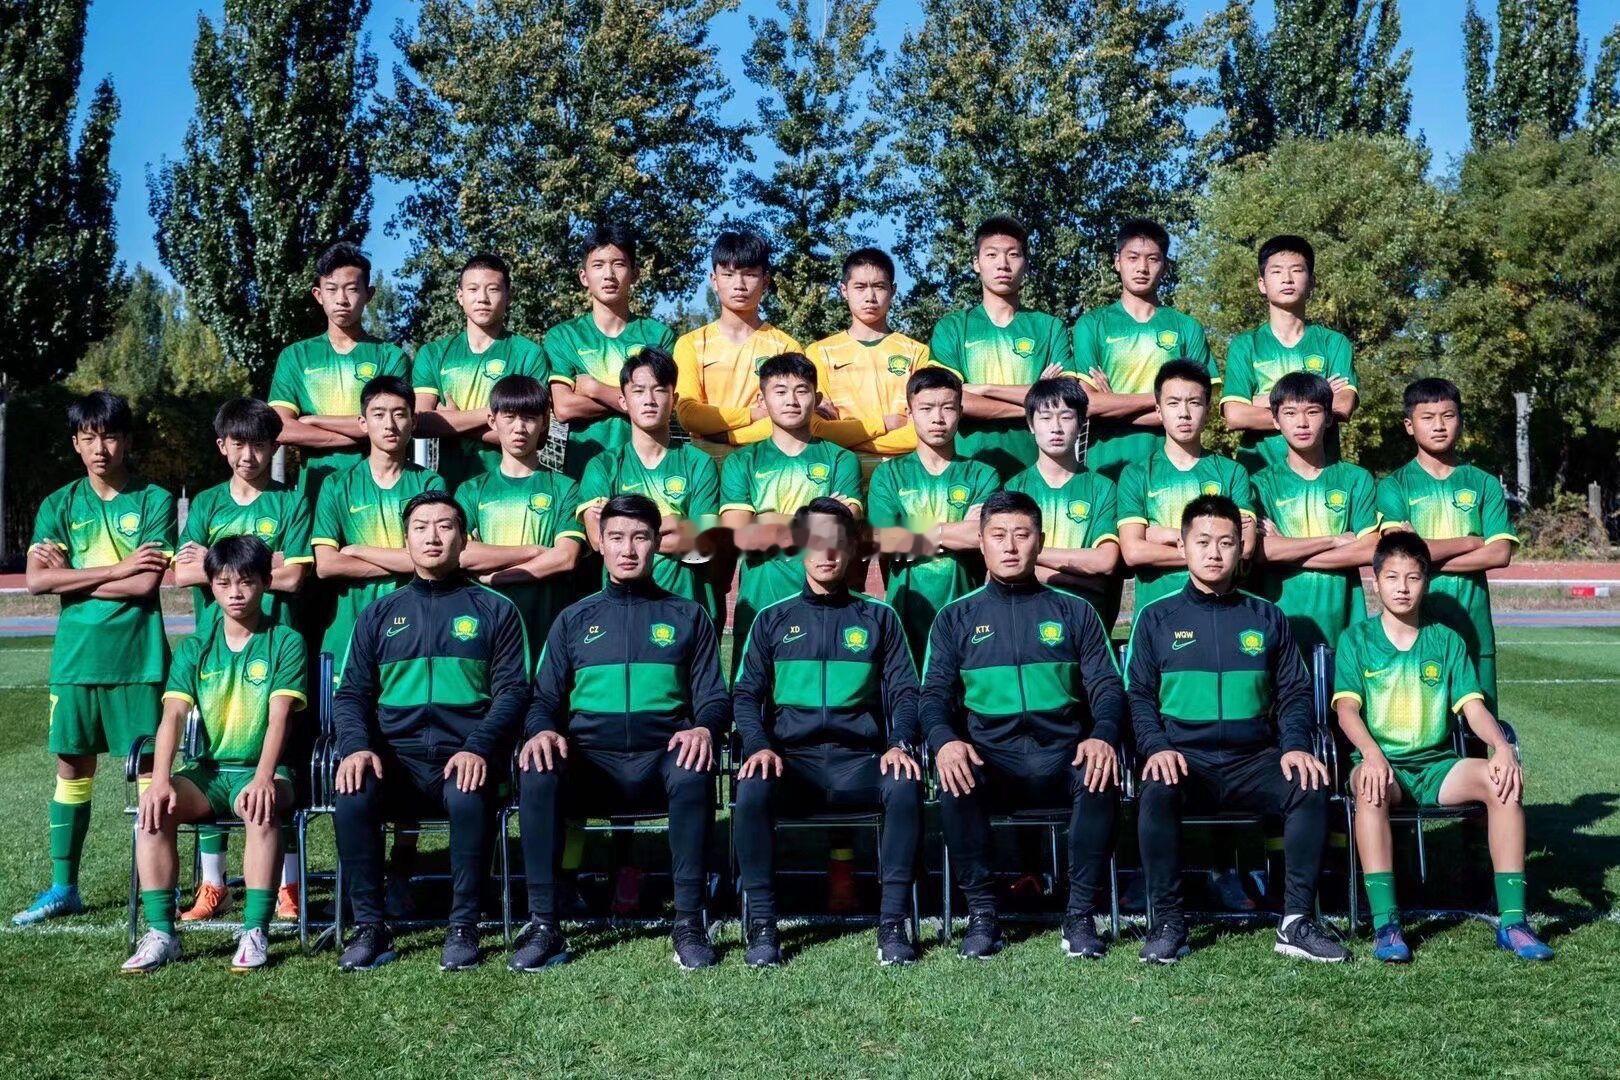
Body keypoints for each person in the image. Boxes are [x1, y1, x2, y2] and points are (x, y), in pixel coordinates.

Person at [511, 495, 730, 972]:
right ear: (601, 544)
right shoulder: (573, 619)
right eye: (616, 538)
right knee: (538, 771)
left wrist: (703, 728)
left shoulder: (688, 615)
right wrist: (542, 731)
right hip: (591, 761)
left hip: (661, 756)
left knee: (692, 769)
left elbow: (714, 697)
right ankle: (544, 924)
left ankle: (689, 922)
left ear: (656, 543)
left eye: (639, 537)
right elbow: (543, 700)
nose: (627, 549)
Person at [1127, 495, 1347, 964]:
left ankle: (1296, 922)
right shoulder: (1156, 618)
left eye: (1226, 542)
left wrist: (1294, 746)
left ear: (1240, 549)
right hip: (1184, 759)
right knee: (1156, 789)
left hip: (1254, 759)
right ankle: (1168, 922)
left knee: (1307, 783)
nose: (1214, 553)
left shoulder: (1266, 616)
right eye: (1203, 542)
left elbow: (1294, 693)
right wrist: (1156, 747)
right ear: (1183, 547)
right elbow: (1139, 697)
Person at [920, 490, 1126, 960]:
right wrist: (946, 741)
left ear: (1041, 541)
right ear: (981, 543)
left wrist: (1102, 736)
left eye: (1021, 535)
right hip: (990, 756)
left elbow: (1108, 688)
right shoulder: (955, 618)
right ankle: (983, 915)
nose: (1010, 546)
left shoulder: (1076, 611)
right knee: (955, 777)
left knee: (1098, 774)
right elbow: (931, 698)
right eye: (998, 535)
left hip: (1063, 752)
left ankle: (1080, 915)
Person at [331, 492, 531, 972]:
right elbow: (351, 694)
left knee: (468, 793)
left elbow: (513, 693)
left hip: (464, 756)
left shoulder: (496, 609)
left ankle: (463, 926)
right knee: (353, 794)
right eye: (420, 527)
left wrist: (478, 747)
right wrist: (356, 747)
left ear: (464, 539)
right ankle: (370, 927)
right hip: (394, 759)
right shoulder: (378, 613)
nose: (433, 537)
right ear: (406, 541)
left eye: (445, 526)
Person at [1333, 532, 1553, 962]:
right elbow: (1346, 711)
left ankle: (1513, 922)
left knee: (1502, 783)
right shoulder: (1355, 639)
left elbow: (1474, 708)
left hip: (1438, 766)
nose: (1402, 587)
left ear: (1426, 581)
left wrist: (1501, 746)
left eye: (1413, 577)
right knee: (1370, 789)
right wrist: (1372, 755)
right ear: (1375, 581)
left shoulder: (1447, 641)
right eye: (1392, 577)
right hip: (1383, 766)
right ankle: (1387, 926)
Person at [731, 498, 925, 967]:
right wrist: (758, 745)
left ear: (853, 547)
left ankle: (893, 924)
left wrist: (898, 743)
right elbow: (745, 695)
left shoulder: (880, 617)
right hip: (790, 761)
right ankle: (763, 925)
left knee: (904, 783)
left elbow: (907, 692)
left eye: (837, 542)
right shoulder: (771, 619)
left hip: (860, 761)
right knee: (751, 787)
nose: (827, 553)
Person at [15, 391, 175, 927]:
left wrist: (74, 577)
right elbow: (38, 581)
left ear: (126, 440)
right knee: (71, 767)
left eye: (109, 436)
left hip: (139, 658)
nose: (100, 448)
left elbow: (145, 584)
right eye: (89, 438)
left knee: (149, 771)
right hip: (76, 659)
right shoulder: (58, 504)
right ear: (76, 444)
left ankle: (158, 888)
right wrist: (116, 569)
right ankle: (64, 887)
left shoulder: (153, 500)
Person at [122, 537, 307, 973]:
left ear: (266, 583)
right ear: (211, 586)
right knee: (153, 810)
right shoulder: (195, 646)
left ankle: (255, 930)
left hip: (264, 771)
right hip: (207, 774)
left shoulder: (285, 641)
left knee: (260, 806)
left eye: (246, 581)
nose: (235, 592)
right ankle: (162, 933)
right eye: (223, 583)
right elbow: (172, 717)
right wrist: (159, 781)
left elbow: (279, 719)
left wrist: (263, 778)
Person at [171, 397, 314, 923]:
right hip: (218, 649)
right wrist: (263, 564)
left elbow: (295, 577)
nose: (248, 455)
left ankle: (288, 885)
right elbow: (182, 573)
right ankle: (214, 885)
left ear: (274, 447)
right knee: (212, 757)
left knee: (277, 762)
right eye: (237, 444)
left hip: (273, 648)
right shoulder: (208, 503)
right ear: (222, 446)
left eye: (258, 444)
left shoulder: (291, 503)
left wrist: (224, 566)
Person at [719, 353, 864, 680]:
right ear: (762, 399)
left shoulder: (841, 459)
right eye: (780, 391)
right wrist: (817, 517)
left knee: (821, 693)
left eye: (801, 390)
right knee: (754, 697)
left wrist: (767, 522)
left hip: (826, 602)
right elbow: (739, 535)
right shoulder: (742, 461)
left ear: (817, 398)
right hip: (760, 601)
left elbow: (842, 525)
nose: (791, 400)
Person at [1376, 378, 1517, 712]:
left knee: (1480, 729)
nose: (1438, 426)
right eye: (1427, 417)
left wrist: (1422, 555)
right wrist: (1471, 542)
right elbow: (1399, 553)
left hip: (1473, 628)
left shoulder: (1484, 483)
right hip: (1415, 631)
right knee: (1422, 727)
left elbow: (1500, 553)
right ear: (1409, 425)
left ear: (1460, 421)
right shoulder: (1394, 486)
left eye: (1448, 416)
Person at [672, 230, 881, 451]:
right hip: (705, 462)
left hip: (768, 462)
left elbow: (793, 418)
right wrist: (754, 414)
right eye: (728, 274)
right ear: (714, 280)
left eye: (750, 274)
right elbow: (688, 414)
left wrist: (727, 436)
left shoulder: (785, 347)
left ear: (765, 281)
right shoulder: (691, 344)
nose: (739, 284)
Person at [311, 376, 446, 684]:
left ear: (413, 422)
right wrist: (404, 560)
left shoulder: (429, 483)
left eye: (399, 414)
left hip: (415, 625)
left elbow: (433, 561)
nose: (390, 424)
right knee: (344, 714)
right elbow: (327, 565)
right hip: (349, 628)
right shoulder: (337, 484)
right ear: (363, 422)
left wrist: (359, 550)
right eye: (379, 414)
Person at [576, 348, 724, 626]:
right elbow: (599, 541)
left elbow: (703, 543)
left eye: (659, 390)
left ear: (674, 399)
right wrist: (676, 521)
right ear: (623, 401)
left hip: (688, 607)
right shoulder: (603, 466)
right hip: (623, 610)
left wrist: (624, 531)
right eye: (639, 391)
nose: (649, 400)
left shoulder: (699, 463)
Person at [866, 366, 999, 664]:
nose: (938, 418)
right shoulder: (888, 474)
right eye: (926, 408)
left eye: (947, 408)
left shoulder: (983, 475)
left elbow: (981, 537)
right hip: (905, 614)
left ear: (960, 412)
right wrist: (955, 530)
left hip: (967, 611)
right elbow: (886, 542)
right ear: (910, 413)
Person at [929, 216, 1074, 481]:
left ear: (1026, 264)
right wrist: (1035, 401)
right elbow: (949, 400)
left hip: (1036, 469)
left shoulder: (1050, 327)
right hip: (968, 467)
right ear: (976, 263)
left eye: (1013, 255)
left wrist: (984, 389)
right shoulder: (952, 327)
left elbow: (1065, 400)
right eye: (992, 254)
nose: (1003, 264)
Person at [1072, 219, 1218, 481]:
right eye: (1133, 258)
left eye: (1152, 259)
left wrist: (1114, 405)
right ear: (1117, 262)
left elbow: (1199, 407)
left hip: (1174, 463)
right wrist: (1167, 401)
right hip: (1107, 463)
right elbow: (1089, 404)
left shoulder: (1187, 327)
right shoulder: (1091, 325)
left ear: (1165, 266)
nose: (1142, 267)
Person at [267, 242, 409, 500]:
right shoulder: (295, 356)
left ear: (369, 294)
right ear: (318, 294)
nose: (341, 299)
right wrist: (361, 436)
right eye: (331, 289)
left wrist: (315, 421)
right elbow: (280, 428)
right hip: (316, 490)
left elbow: (390, 424)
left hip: (380, 490)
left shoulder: (391, 356)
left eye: (352, 289)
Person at [452, 375, 586, 647]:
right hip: (487, 625)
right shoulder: (470, 490)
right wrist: (534, 551)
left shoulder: (566, 488)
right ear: (492, 420)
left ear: (545, 422)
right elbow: (463, 555)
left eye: (529, 418)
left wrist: (496, 576)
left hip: (548, 626)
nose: (519, 428)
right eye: (510, 417)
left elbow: (565, 558)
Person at [1252, 372, 1379, 655]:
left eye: (1312, 411)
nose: (1302, 422)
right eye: (1290, 413)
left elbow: (1369, 549)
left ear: (1329, 417)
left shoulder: (1356, 479)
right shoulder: (1260, 484)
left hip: (1345, 627)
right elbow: (1261, 552)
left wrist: (1288, 548)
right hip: (1281, 623)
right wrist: (1334, 540)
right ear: (1275, 420)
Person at [1117, 360, 1255, 613]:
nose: (1184, 413)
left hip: (1221, 611)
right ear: (1159, 411)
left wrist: (1162, 535)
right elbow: (1133, 552)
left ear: (1208, 410)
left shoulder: (1233, 472)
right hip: (1157, 613)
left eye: (1194, 403)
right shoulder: (1136, 474)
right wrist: (1215, 549)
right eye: (1173, 403)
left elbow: (1244, 549)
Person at [545, 225, 678, 480]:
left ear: (635, 273)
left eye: (618, 264)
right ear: (584, 276)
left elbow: (663, 404)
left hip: (649, 471)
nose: (609, 274)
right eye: (598, 265)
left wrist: (594, 389)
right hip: (582, 472)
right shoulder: (563, 336)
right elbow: (564, 407)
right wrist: (636, 400)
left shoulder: (658, 336)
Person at [1219, 235, 1357, 474]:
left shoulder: (1334, 343)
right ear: (1262, 284)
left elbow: (1343, 406)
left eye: (1297, 270)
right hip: (1257, 473)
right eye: (1276, 271)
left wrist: (1259, 400)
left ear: (1311, 282)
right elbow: (1235, 415)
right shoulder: (1245, 345)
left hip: (1323, 473)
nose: (1287, 279)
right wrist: (1319, 394)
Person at [412, 252, 548, 490]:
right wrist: (495, 416)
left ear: (508, 296)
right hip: (448, 488)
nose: (482, 298)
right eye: (473, 289)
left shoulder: (529, 354)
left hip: (514, 486)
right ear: (460, 296)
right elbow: (420, 423)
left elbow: (535, 436)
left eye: (493, 289)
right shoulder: (432, 353)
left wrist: (452, 422)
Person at [1005, 378, 1122, 623]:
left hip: (1085, 618)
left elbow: (1105, 560)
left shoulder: (1103, 488)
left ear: (1081, 424)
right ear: (1031, 424)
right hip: (1026, 615)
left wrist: (1030, 557)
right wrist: (1078, 579)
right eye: (1046, 418)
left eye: (1066, 417)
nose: (1056, 427)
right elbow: (1004, 565)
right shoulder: (1014, 488)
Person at [805, 247, 932, 460]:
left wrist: (849, 439)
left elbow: (923, 430)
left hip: (903, 469)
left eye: (879, 287)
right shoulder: (819, 352)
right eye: (860, 287)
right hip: (842, 469)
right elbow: (817, 430)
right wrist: (885, 423)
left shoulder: (917, 353)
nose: (870, 297)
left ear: (893, 290)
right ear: (844, 290)